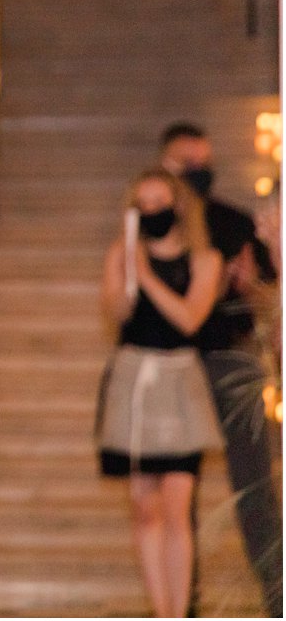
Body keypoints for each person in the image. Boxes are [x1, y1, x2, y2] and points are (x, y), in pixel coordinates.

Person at [158, 122, 282, 615]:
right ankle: (179, 604)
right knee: (174, 489)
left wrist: (249, 283)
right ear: (166, 164)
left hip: (230, 362)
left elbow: (270, 299)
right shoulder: (156, 226)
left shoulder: (232, 223)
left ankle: (277, 598)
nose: (199, 172)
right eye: (188, 163)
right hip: (173, 367)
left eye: (204, 162)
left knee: (253, 486)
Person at [97, 168, 225, 619]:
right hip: (135, 381)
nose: (152, 212)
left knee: (177, 507)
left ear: (178, 206)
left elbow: (190, 319)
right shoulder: (122, 254)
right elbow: (117, 310)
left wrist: (149, 275)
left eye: (159, 203)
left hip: (179, 384)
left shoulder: (205, 260)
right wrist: (129, 270)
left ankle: (179, 610)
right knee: (143, 509)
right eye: (142, 205)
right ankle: (161, 611)